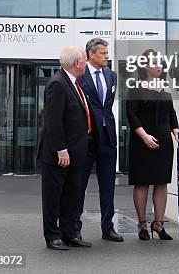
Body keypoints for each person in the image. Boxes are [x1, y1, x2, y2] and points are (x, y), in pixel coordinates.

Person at [37, 46, 94, 250]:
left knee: (72, 194)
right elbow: (53, 121)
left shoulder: (74, 83)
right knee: (53, 196)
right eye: (85, 60)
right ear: (76, 63)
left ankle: (69, 234)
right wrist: (61, 149)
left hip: (76, 152)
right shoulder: (58, 84)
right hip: (58, 154)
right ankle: (52, 236)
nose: (87, 64)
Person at [126, 49, 179, 241]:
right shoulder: (134, 88)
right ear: (144, 66)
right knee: (142, 182)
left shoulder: (164, 89)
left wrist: (176, 132)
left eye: (160, 63)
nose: (159, 66)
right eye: (155, 63)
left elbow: (172, 114)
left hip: (163, 142)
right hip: (142, 140)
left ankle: (158, 224)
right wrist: (144, 136)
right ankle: (142, 225)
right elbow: (131, 116)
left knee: (161, 182)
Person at [75, 38, 123, 242]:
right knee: (78, 185)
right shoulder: (80, 75)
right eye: (102, 53)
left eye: (107, 52)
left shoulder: (111, 76)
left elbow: (107, 106)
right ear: (90, 54)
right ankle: (74, 228)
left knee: (108, 185)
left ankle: (108, 227)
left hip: (107, 138)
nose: (106, 56)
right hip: (86, 138)